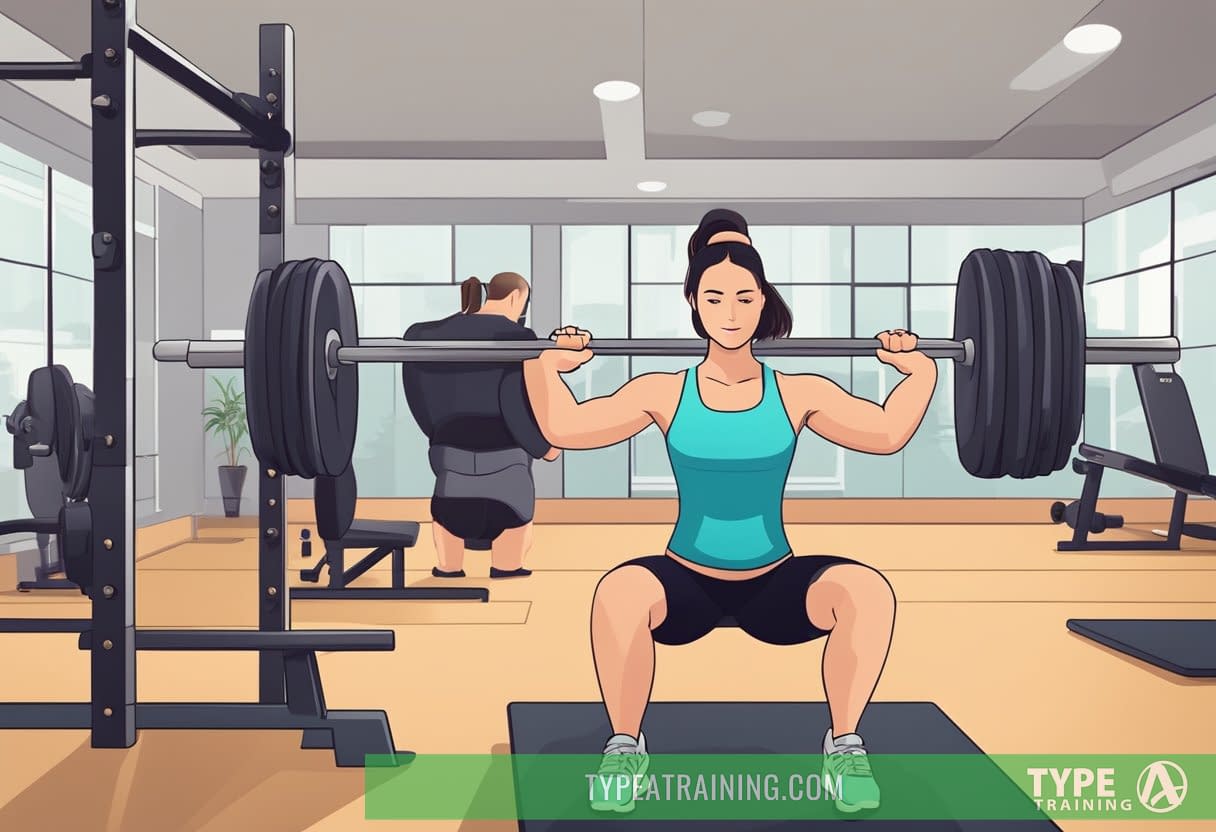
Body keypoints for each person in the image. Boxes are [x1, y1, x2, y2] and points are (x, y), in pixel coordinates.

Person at [523, 209, 937, 814]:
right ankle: (624, 746)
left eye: (745, 296)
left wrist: (919, 369)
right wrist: (546, 367)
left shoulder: (797, 391)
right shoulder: (665, 390)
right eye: (715, 297)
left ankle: (844, 743)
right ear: (693, 301)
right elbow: (566, 426)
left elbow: (886, 433)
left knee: (867, 590)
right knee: (617, 593)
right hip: (685, 580)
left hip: (774, 582)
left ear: (763, 300)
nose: (731, 311)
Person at [402, 272, 559, 579]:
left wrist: (437, 435)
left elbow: (417, 397)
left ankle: (449, 569)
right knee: (511, 553)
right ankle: (506, 568)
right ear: (517, 298)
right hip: (507, 465)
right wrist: (544, 446)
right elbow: (516, 406)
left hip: (449, 458)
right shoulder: (520, 340)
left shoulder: (421, 336)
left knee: (448, 530)